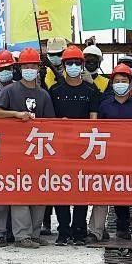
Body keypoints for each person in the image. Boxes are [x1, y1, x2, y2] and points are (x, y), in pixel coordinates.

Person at [0, 46, 56, 248]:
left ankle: (34, 233)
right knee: (19, 193)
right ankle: (21, 236)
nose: (29, 69)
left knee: (38, 193)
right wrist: (16, 115)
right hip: (13, 153)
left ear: (38, 68)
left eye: (32, 66)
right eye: (25, 66)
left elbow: (51, 123)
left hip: (37, 151)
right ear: (20, 69)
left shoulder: (43, 94)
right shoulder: (10, 90)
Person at [88, 64, 132, 246]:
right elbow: (97, 132)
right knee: (102, 194)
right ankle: (95, 231)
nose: (120, 84)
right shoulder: (105, 106)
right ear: (112, 83)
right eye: (117, 81)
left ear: (130, 82)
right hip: (109, 158)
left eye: (124, 81)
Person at [49, 45, 101, 246]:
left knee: (81, 189)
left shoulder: (91, 91)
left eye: (76, 63)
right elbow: (49, 121)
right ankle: (63, 230)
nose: (72, 66)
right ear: (63, 66)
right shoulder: (55, 91)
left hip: (83, 148)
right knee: (60, 189)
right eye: (68, 63)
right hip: (60, 148)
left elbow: (94, 120)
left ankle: (79, 230)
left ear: (82, 66)